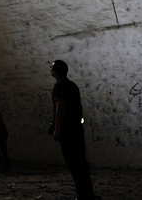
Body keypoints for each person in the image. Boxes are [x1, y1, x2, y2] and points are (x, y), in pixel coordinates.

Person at [50, 60, 95, 200]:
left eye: (51, 67)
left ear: (56, 71)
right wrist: (79, 123)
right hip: (76, 129)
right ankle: (88, 194)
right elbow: (79, 107)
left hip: (67, 131)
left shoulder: (59, 86)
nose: (49, 69)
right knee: (81, 162)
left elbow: (60, 109)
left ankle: (82, 196)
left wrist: (57, 131)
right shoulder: (72, 85)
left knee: (73, 164)